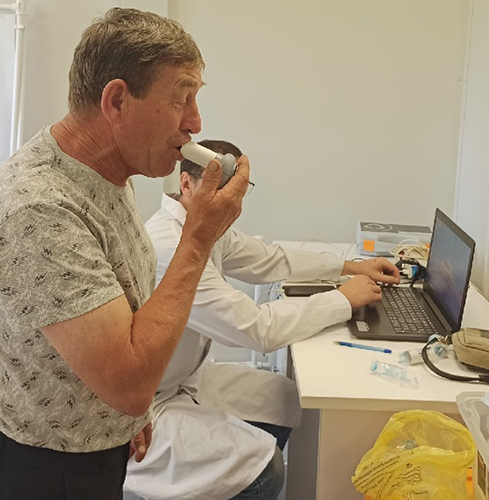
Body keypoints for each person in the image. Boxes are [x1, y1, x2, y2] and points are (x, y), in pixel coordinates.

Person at [0, 9, 250, 500]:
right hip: (53, 466)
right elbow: (130, 383)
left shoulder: (107, 172)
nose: (195, 123)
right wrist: (197, 238)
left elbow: (119, 312)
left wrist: (126, 415)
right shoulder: (40, 207)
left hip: (98, 438)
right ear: (117, 100)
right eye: (181, 98)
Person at [124, 140, 401, 500]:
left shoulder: (205, 226)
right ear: (187, 184)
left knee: (283, 399)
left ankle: (219, 483)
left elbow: (269, 259)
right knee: (265, 467)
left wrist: (350, 267)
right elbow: (257, 330)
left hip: (184, 380)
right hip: (146, 410)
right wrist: (342, 300)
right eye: (222, 193)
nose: (231, 207)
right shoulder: (169, 246)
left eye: (237, 194)